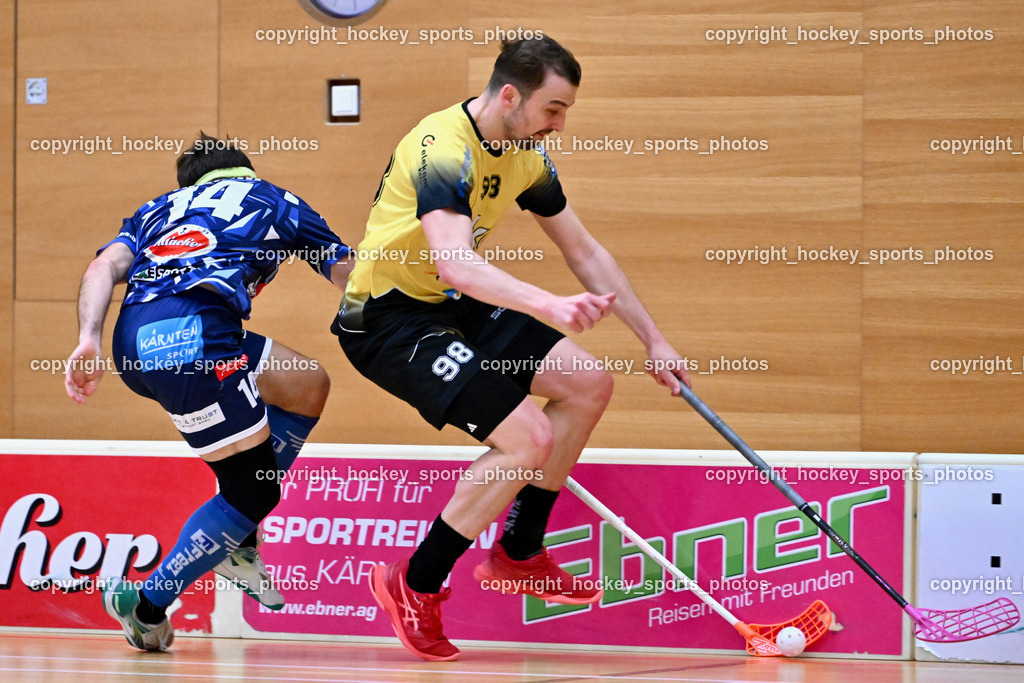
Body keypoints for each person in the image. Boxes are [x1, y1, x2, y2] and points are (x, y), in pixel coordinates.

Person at [332, 36, 691, 661]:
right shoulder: (442, 147)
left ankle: (520, 551)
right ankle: (413, 583)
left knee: (588, 383)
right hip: (387, 319)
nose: (559, 124)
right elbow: (453, 262)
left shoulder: (525, 153)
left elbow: (584, 252)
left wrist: (654, 340)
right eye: (553, 109)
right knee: (528, 438)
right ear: (509, 96)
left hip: (447, 305)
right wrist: (548, 305)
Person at [65, 133, 353, 652]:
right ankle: (147, 601)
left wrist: (87, 338)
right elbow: (348, 272)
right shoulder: (274, 198)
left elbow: (100, 268)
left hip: (138, 342)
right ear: (243, 171)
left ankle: (238, 533)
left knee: (308, 384)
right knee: (255, 492)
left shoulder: (154, 210)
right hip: (198, 342)